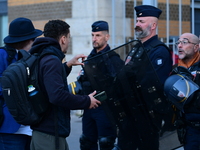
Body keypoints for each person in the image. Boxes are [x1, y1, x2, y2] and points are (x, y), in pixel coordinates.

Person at [29, 19, 101, 150]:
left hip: (46, 132)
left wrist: (67, 66)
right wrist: (86, 101)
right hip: (50, 134)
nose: (68, 41)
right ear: (62, 39)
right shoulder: (52, 60)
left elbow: (47, 80)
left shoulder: (43, 55)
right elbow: (57, 95)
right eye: (68, 38)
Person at [114, 5, 173, 150]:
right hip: (130, 115)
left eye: (141, 21)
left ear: (153, 25)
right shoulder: (136, 48)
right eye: (137, 21)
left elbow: (154, 84)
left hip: (146, 118)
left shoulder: (159, 51)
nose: (137, 25)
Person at [78, 21, 124, 150]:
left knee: (106, 143)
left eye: (98, 35)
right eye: (93, 35)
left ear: (107, 37)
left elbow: (119, 88)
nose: (94, 39)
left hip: (106, 109)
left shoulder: (113, 59)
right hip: (89, 108)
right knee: (86, 142)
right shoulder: (89, 59)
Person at [0, 17, 43, 150]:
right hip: (10, 128)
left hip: (31, 126)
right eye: (33, 39)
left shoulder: (31, 57)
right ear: (29, 40)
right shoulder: (3, 55)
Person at [168, 33, 200, 150]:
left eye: (184, 42)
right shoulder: (177, 70)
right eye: (178, 42)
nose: (179, 45)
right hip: (188, 129)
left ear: (196, 47)